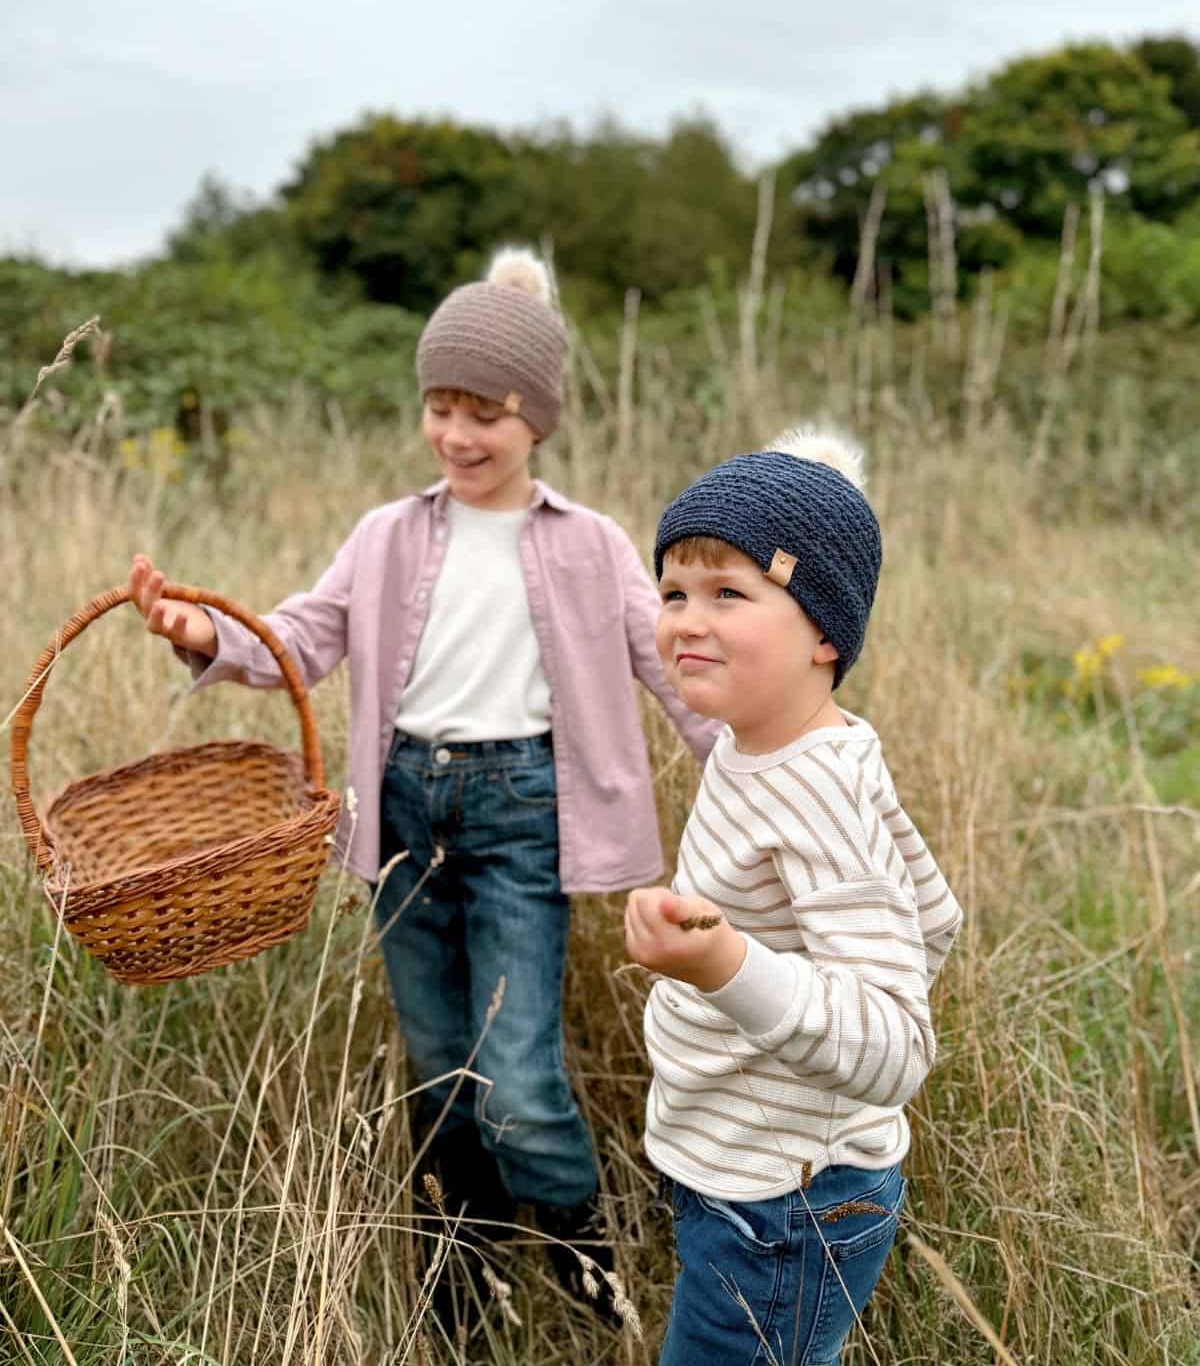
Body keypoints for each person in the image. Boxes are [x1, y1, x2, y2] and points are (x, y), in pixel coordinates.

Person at [127, 247, 719, 1336]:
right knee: (440, 1069)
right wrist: (204, 631)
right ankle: (465, 1291)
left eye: (484, 414)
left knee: (520, 1076)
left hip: (522, 813)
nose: (457, 436)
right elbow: (302, 639)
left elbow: (673, 666)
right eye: (439, 408)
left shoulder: (587, 545)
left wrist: (769, 756)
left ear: (536, 417)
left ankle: (594, 1284)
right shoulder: (388, 533)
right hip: (402, 809)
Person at [624, 426, 962, 1365]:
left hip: (788, 1200)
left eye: (728, 593)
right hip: (751, 1170)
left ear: (825, 631)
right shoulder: (764, 741)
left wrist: (727, 964)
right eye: (674, 593)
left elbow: (896, 1048)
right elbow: (931, 914)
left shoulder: (812, 787)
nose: (687, 619)